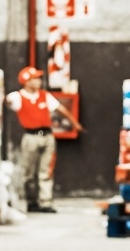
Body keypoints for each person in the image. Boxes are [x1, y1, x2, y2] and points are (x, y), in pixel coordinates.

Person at [5, 66, 77, 213]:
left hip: (47, 136)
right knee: (29, 172)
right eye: (35, 79)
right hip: (30, 136)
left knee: (46, 171)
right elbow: (7, 101)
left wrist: (74, 122)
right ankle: (31, 201)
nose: (38, 81)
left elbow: (60, 109)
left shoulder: (44, 95)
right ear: (26, 81)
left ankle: (45, 202)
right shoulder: (17, 96)